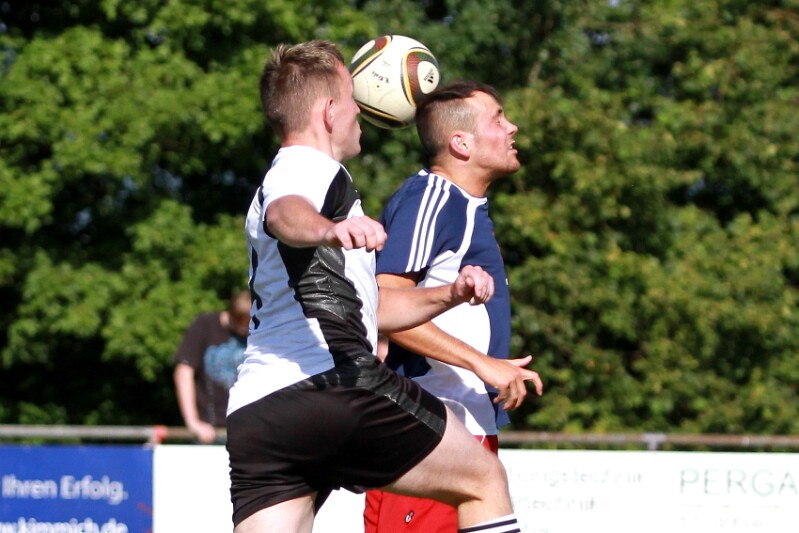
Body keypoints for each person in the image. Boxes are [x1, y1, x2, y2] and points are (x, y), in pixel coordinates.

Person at [225, 40, 523, 533]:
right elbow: (286, 214)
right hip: (333, 385)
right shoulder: (307, 168)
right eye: (351, 96)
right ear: (328, 111)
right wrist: (328, 229)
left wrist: (449, 295)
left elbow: (377, 311)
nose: (360, 107)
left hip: (260, 410)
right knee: (483, 478)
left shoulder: (293, 173)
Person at [363, 80, 544, 532]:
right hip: (429, 428)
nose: (512, 127)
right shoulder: (434, 198)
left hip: (462, 429)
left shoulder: (463, 206)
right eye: (498, 119)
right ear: (460, 143)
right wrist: (483, 364)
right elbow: (383, 306)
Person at [173, 289, 251, 444]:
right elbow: (184, 372)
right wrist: (193, 421)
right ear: (230, 313)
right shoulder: (205, 325)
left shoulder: (259, 330)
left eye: (249, 324)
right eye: (241, 324)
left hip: (249, 429)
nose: (245, 330)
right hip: (210, 431)